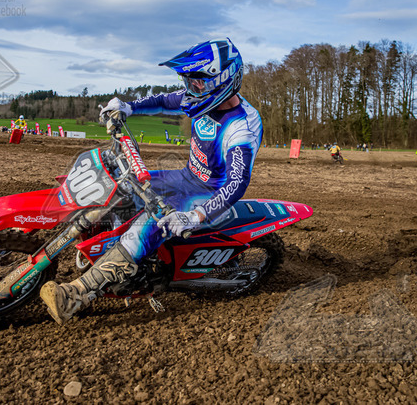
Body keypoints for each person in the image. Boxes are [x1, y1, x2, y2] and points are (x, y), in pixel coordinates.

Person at [39, 38, 263, 324]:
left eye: (198, 82)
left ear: (223, 81)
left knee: (145, 228)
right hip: (185, 176)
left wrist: (195, 216)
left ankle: (76, 296)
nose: (191, 88)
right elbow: (163, 100)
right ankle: (108, 248)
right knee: (120, 184)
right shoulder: (197, 95)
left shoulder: (241, 126)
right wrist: (127, 107)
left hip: (207, 194)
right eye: (188, 81)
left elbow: (237, 183)